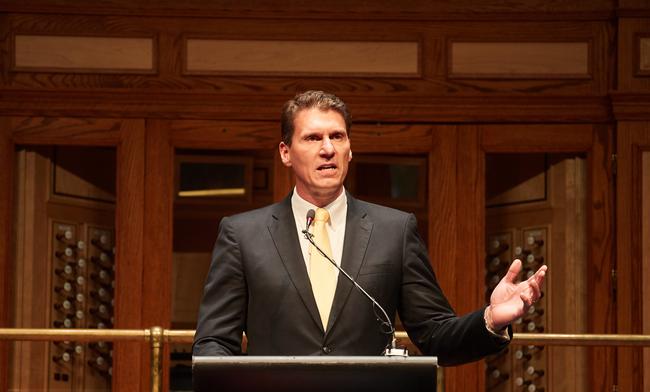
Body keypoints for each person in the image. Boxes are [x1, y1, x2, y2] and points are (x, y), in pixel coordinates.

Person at [193, 90, 546, 365]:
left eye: (338, 137)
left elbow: (436, 335)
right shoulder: (242, 235)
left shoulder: (394, 230)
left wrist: (491, 319)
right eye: (313, 138)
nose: (328, 149)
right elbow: (214, 343)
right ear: (286, 152)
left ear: (350, 149)